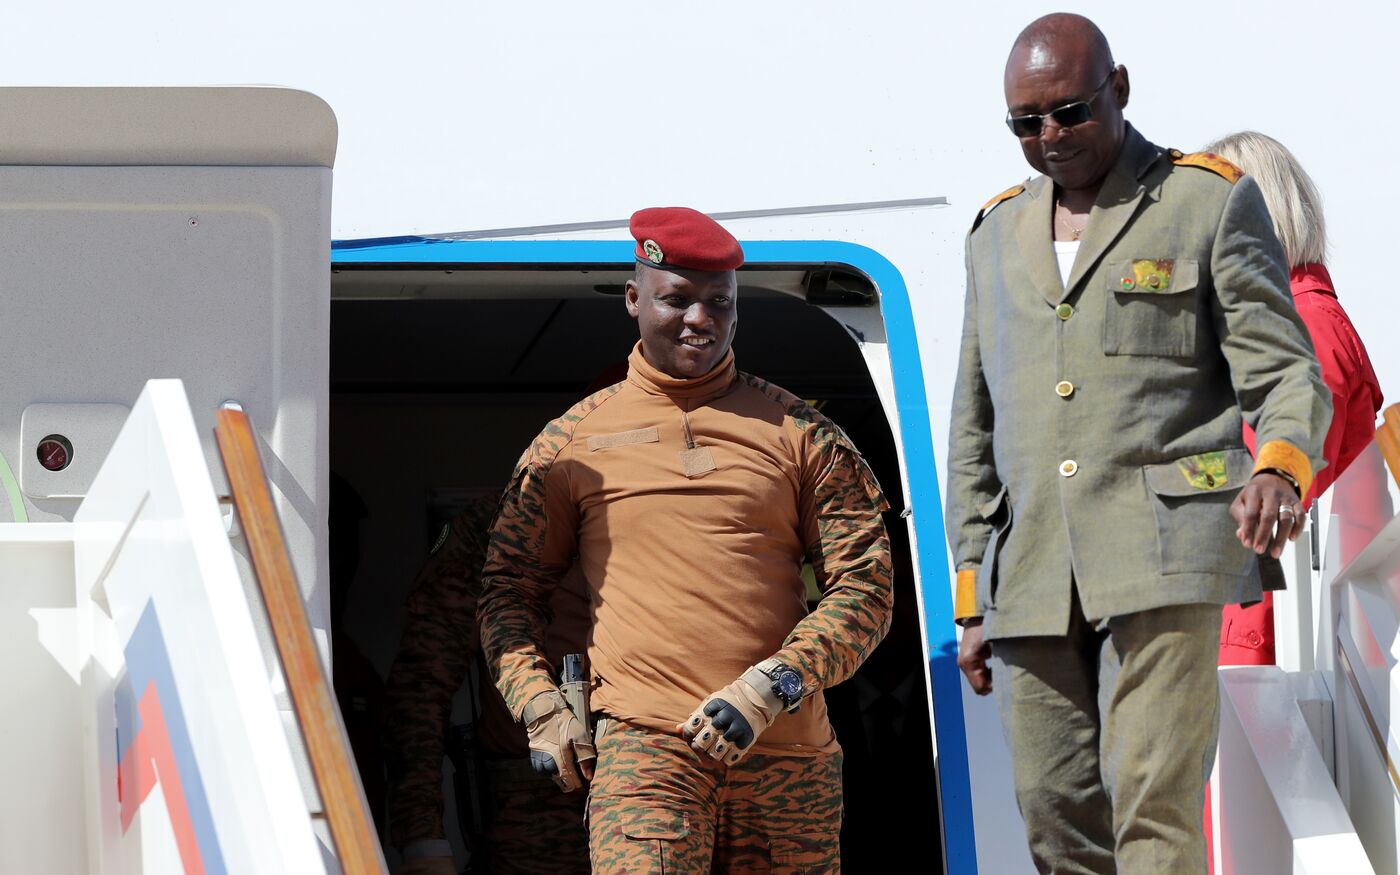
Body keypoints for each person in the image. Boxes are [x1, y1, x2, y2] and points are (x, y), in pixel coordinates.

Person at [947, 14, 1331, 874]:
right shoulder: (994, 233)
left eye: (1070, 111)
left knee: (1151, 799)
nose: (1049, 137)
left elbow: (1289, 373)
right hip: (1033, 567)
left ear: (1120, 87)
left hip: (1164, 551)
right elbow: (973, 427)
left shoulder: (1206, 200)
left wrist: (1278, 467)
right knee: (1052, 810)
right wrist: (973, 597)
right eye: (1025, 123)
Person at [476, 206, 894, 873]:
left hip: (787, 759)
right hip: (646, 758)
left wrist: (773, 684)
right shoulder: (570, 442)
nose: (700, 319)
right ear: (634, 298)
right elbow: (506, 593)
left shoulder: (801, 433)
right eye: (677, 299)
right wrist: (537, 701)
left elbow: (867, 591)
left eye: (719, 303)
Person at [1204, 130, 1383, 665]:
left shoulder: (1299, 322)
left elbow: (1287, 499)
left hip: (1275, 630)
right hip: (1276, 619)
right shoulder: (1296, 317)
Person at [382, 497, 593, 875]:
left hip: (656, 798)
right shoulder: (494, 528)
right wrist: (423, 843)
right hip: (533, 825)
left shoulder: (659, 516)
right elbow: (420, 691)